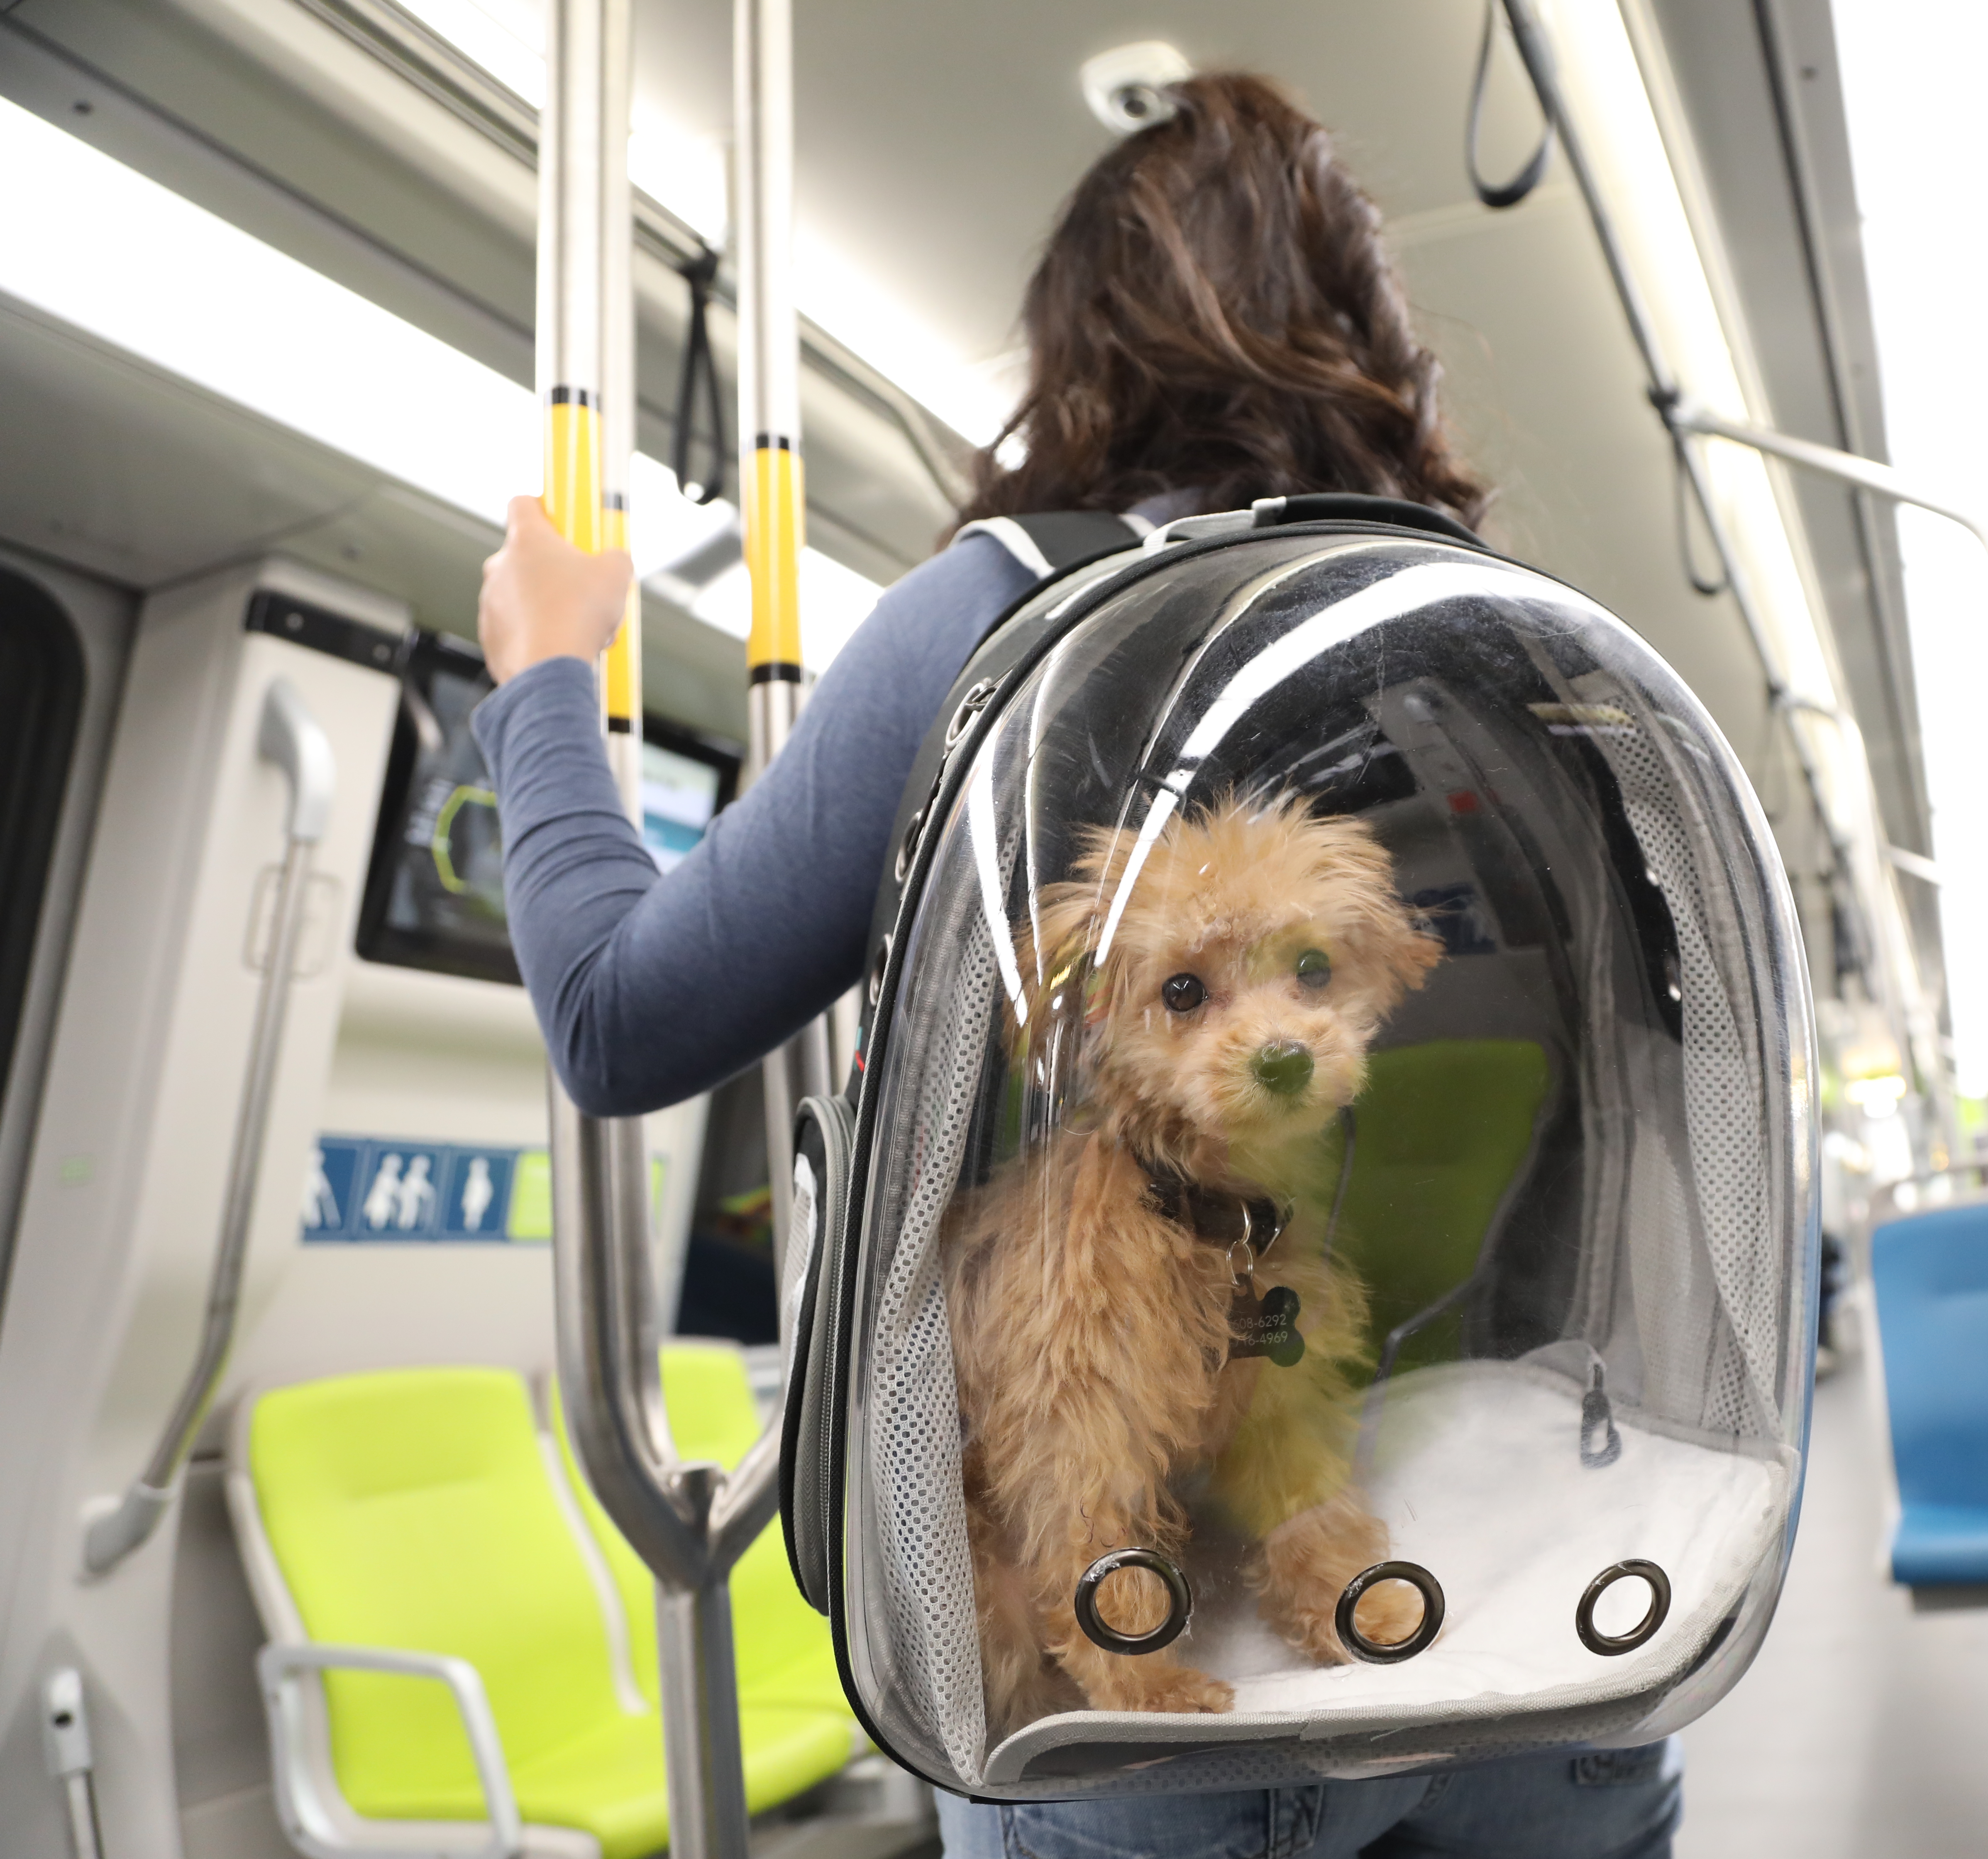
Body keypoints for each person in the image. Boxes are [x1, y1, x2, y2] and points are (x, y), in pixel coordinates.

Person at [474, 71, 1681, 1859]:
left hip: (1138, 1701)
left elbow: (618, 1012)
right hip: (1560, 1607)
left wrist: (545, 682)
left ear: (1083, 351)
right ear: (1374, 344)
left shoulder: (994, 617)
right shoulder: (1531, 658)